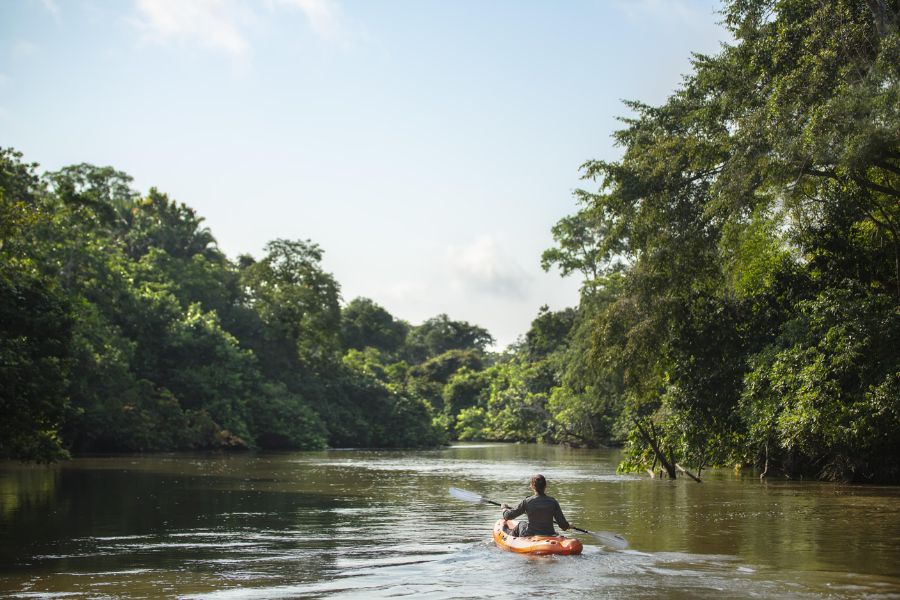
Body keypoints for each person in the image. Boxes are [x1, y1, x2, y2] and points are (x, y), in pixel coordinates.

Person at [500, 473, 570, 537]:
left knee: (521, 523)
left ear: (532, 486)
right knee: (523, 524)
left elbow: (508, 516)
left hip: (531, 534)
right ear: (545, 486)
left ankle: (509, 537)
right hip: (549, 534)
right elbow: (563, 526)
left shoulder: (527, 502)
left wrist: (504, 508)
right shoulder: (553, 502)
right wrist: (568, 526)